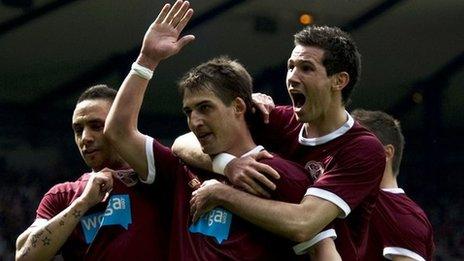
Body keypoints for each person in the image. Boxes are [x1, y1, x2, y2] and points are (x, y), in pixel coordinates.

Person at [103, 1, 340, 259]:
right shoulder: (182, 170)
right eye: (188, 112)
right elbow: (118, 132)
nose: (195, 121)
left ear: (238, 106)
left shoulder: (284, 175)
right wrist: (146, 60)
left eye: (205, 108)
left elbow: (322, 252)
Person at [174, 25, 386, 260]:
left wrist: (223, 194)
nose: (293, 77)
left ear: (339, 81)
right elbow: (183, 142)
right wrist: (229, 165)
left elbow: (304, 223)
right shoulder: (274, 118)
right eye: (291, 67)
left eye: (306, 68)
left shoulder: (362, 149)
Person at [15, 85, 171, 260]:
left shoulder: (159, 177)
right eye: (78, 130)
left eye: (96, 126)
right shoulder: (62, 196)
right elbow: (24, 257)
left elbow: (187, 145)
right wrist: (82, 203)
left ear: (120, 125)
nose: (85, 138)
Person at [351, 109, 435, 261]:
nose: (345, 154)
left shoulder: (404, 216)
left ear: (386, 153)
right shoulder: (346, 199)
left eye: (355, 146)